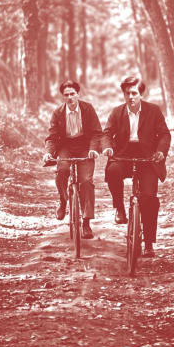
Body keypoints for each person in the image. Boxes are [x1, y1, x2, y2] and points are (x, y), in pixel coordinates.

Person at [102, 76, 171, 258]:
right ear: (123, 94)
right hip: (123, 154)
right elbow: (107, 133)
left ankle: (148, 243)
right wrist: (108, 147)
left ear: (141, 94)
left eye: (135, 93)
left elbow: (164, 134)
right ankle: (119, 208)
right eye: (127, 93)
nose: (131, 97)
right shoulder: (117, 113)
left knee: (149, 199)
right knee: (112, 171)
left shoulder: (153, 111)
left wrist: (161, 151)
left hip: (147, 157)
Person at [44, 80, 103, 239]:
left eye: (72, 94)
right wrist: (49, 153)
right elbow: (52, 136)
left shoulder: (88, 109)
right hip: (66, 146)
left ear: (78, 94)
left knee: (86, 181)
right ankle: (63, 201)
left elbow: (97, 132)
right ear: (63, 97)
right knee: (62, 170)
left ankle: (86, 222)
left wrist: (93, 149)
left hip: (85, 146)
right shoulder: (57, 113)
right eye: (66, 95)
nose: (70, 97)